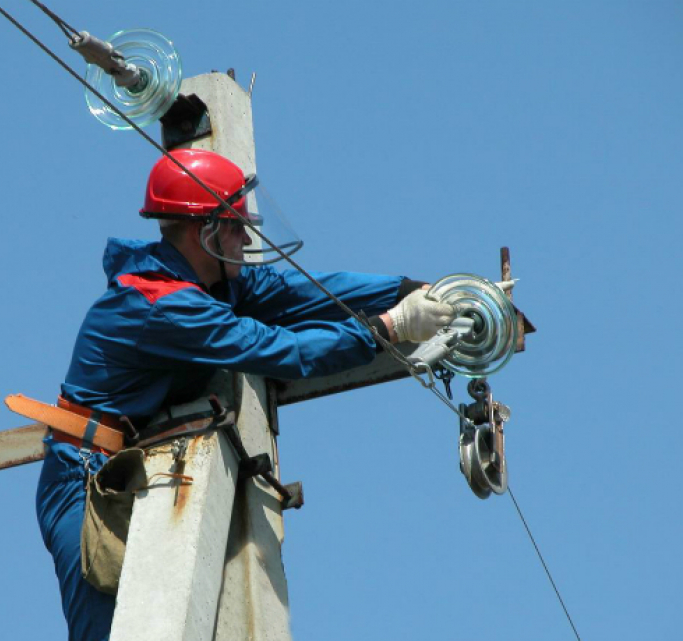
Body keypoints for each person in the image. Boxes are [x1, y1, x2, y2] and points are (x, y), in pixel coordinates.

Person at [35, 148, 456, 641]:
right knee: (114, 629)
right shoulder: (163, 305)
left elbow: (305, 293)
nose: (247, 235)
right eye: (236, 224)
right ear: (204, 232)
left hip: (121, 462)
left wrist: (410, 288)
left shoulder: (206, 282)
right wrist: (390, 327)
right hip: (83, 477)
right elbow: (282, 350)